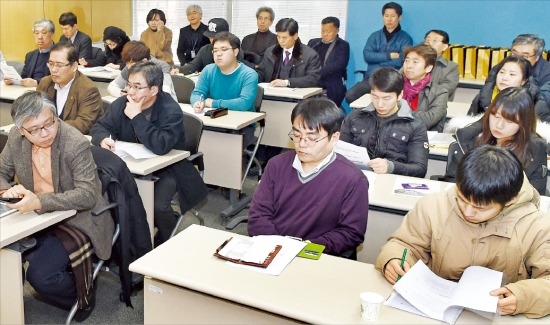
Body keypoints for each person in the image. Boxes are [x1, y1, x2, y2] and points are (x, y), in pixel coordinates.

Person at [376, 145, 550, 318]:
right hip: (433, 311)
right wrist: (393, 259)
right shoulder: (434, 206)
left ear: (511, 200)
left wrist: (523, 296)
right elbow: (403, 244)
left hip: (497, 317)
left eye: (480, 208)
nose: (467, 212)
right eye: (461, 199)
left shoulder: (537, 226)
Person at [0, 91, 114, 321]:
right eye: (34, 130)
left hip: (78, 216)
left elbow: (86, 195)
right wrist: (6, 190)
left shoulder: (74, 143)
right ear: (21, 130)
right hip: (35, 214)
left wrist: (40, 201)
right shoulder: (15, 137)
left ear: (54, 116)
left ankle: (82, 297)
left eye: (49, 124)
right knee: (6, 255)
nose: (45, 133)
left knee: (42, 275)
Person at [91, 61, 207, 246]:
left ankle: (167, 239)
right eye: (129, 85)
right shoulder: (122, 103)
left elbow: (161, 146)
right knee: (110, 197)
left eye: (137, 87)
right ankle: (127, 242)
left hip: (168, 168)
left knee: (157, 205)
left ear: (154, 90)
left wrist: (137, 117)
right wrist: (102, 138)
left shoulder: (170, 110)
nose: (130, 91)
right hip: (130, 166)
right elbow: (99, 127)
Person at [248, 97, 369, 257]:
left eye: (312, 138)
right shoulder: (276, 165)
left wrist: (304, 248)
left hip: (317, 256)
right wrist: (278, 246)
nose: (302, 144)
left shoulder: (353, 179)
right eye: (297, 135)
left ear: (334, 138)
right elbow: (258, 216)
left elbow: (351, 233)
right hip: (272, 250)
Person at [446, 87, 547, 194]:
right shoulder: (469, 139)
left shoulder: (535, 150)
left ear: (523, 124)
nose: (499, 125)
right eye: (495, 116)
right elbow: (453, 182)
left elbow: (535, 194)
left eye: (509, 121)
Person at [340, 67, 429, 178]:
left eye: (387, 98)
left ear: (400, 95)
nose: (380, 104)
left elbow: (420, 169)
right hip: (356, 178)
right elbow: (338, 154)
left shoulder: (415, 126)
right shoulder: (354, 117)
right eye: (375, 97)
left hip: (393, 180)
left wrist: (391, 167)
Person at [190, 32, 258, 145]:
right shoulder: (208, 70)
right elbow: (197, 93)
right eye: (215, 51)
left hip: (241, 126)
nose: (219, 54)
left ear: (236, 51)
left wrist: (212, 103)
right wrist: (198, 102)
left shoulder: (249, 74)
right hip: (215, 122)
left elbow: (244, 103)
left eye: (224, 49)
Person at [345, 2, 412, 104]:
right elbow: (367, 55)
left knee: (388, 101)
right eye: (386, 16)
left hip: (392, 79)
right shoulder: (375, 36)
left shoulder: (406, 38)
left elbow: (401, 61)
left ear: (400, 17)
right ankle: (367, 117)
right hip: (371, 78)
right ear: (382, 17)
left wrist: (378, 63)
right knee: (350, 95)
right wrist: (388, 55)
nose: (389, 19)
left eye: (393, 16)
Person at [36, 42, 103, 135]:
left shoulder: (88, 89)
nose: (54, 69)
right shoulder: (45, 83)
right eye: (51, 64)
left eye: (59, 65)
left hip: (74, 142)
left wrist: (49, 127)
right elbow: (35, 111)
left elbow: (84, 124)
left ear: (74, 66)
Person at [469, 55, 548, 122]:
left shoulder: (537, 102)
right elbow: (468, 124)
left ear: (524, 81)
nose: (504, 78)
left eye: (512, 74)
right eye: (502, 72)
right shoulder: (483, 97)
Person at [256, 18, 321, 88]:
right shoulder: (270, 52)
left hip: (298, 97)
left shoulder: (310, 55)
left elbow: (313, 79)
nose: (281, 41)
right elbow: (261, 72)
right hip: (271, 95)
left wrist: (287, 82)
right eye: (278, 37)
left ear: (295, 36)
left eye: (284, 38)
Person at [171, 18, 248, 75]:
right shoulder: (205, 49)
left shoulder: (234, 50)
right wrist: (179, 70)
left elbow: (236, 71)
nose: (212, 40)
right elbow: (193, 65)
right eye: (210, 37)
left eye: (215, 37)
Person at [107, 40, 177, 101]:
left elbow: (165, 94)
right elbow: (112, 86)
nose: (128, 67)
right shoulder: (129, 67)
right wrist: (123, 94)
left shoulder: (161, 67)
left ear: (144, 61)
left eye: (131, 63)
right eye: (127, 63)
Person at [402, 44, 448, 132]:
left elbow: (429, 119)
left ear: (428, 68)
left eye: (415, 62)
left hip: (425, 138)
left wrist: (398, 114)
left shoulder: (440, 92)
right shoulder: (395, 85)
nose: (409, 66)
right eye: (406, 61)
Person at [307, 16, 350, 107]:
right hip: (312, 80)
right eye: (323, 31)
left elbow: (338, 66)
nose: (325, 34)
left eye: (328, 31)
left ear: (337, 30)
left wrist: (314, 73)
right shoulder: (313, 43)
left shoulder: (343, 45)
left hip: (331, 82)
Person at [3, 19, 54, 87]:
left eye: (44, 33)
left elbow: (59, 77)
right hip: (28, 91)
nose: (40, 37)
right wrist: (12, 80)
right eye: (36, 33)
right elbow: (23, 77)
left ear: (52, 34)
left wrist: (37, 83)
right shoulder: (30, 55)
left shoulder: (59, 54)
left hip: (47, 92)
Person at [511, 34, 550, 104]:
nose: (518, 59)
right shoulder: (507, 63)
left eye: (525, 56)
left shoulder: (547, 74)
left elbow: (543, 104)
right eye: (514, 54)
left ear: (537, 57)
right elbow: (489, 86)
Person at [422, 29, 459, 101]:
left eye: (434, 40)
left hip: (436, 106)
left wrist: (419, 92)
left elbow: (445, 90)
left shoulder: (451, 67)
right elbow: (398, 81)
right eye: (427, 39)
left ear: (444, 47)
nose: (429, 42)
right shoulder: (412, 61)